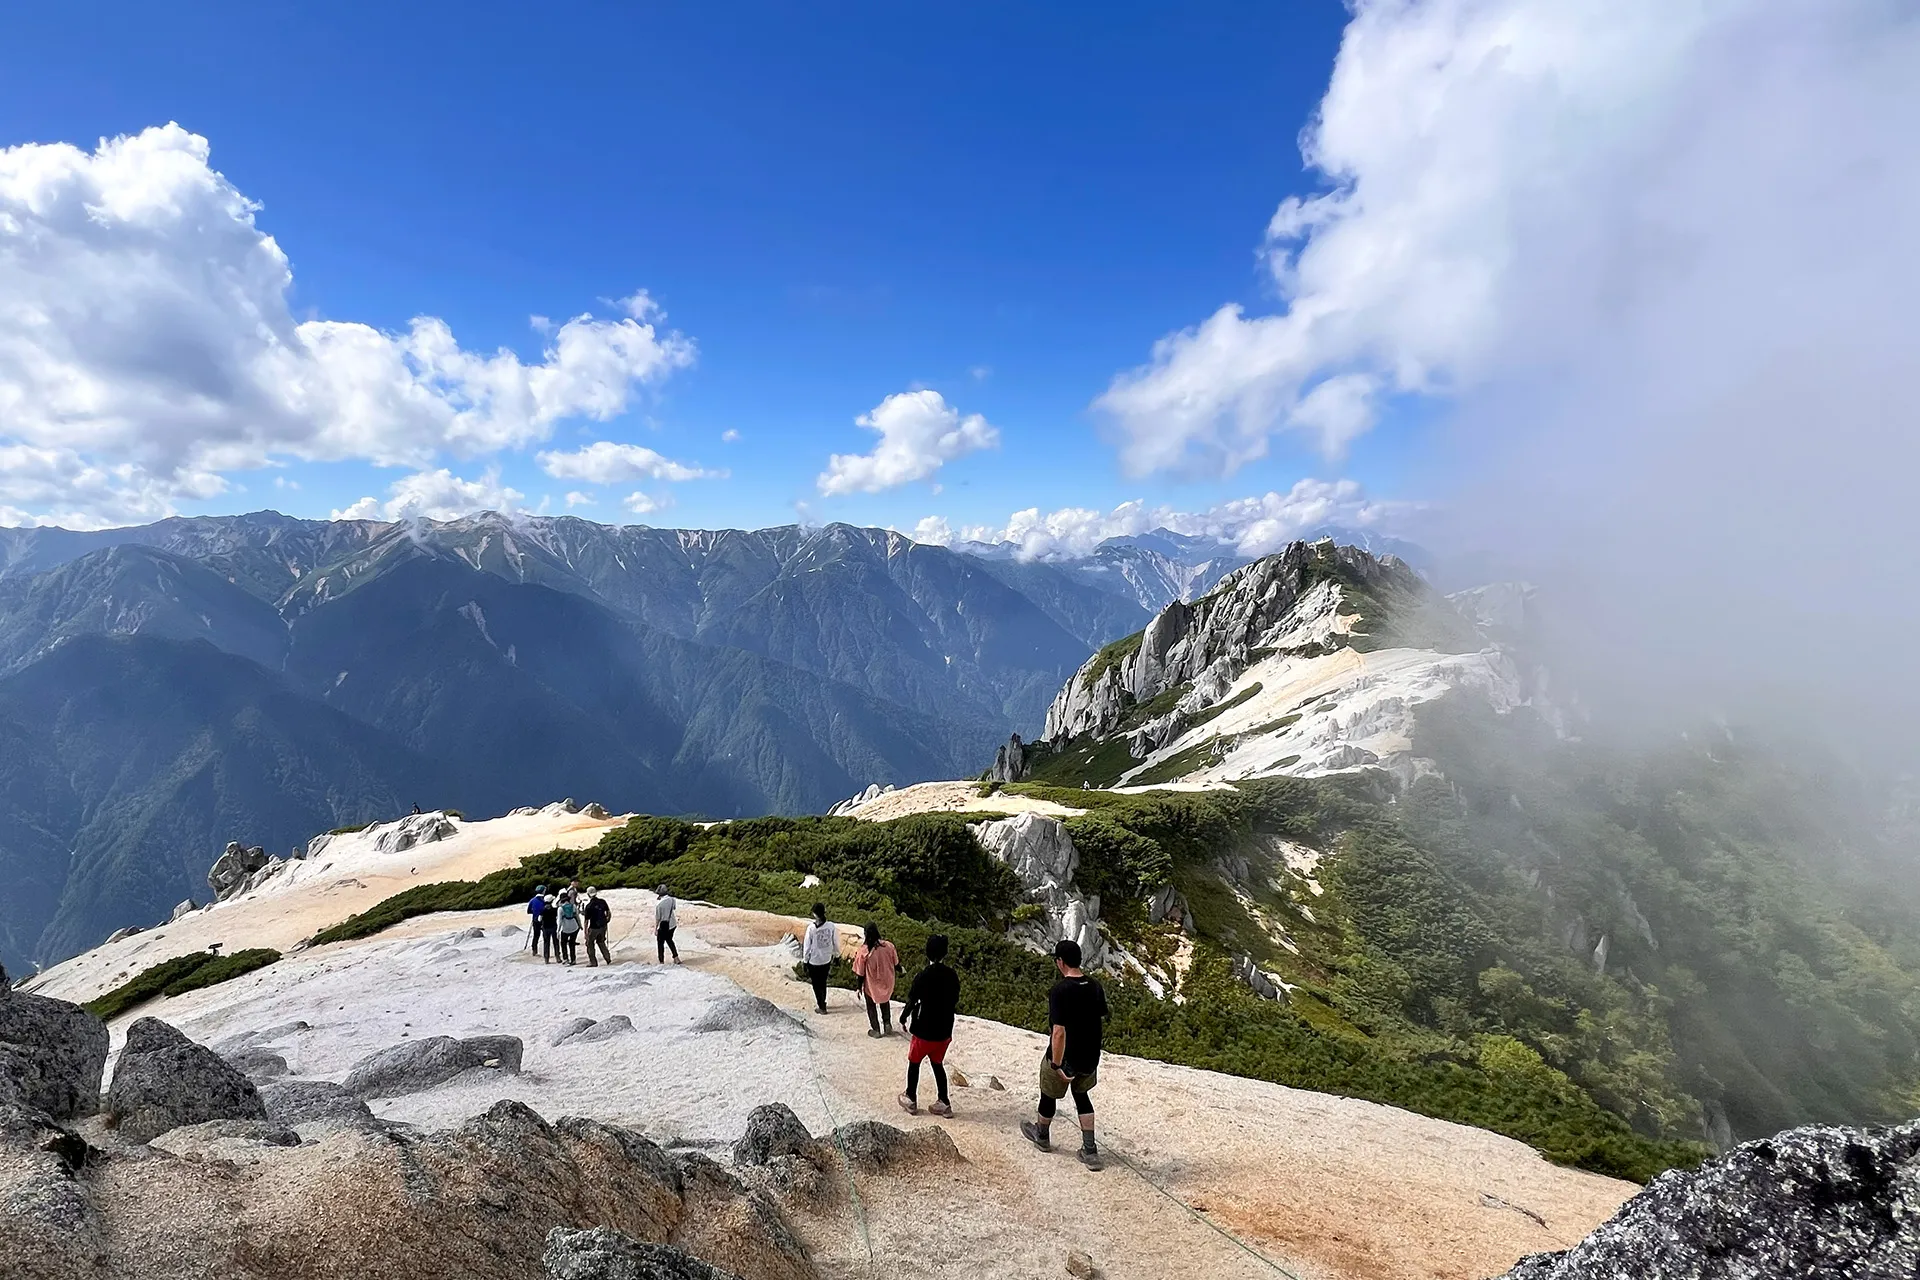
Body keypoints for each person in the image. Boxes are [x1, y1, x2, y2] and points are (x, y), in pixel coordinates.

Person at [1021, 939, 1110, 1171]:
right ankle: (1090, 1150)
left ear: (1060, 962)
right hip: (1089, 1057)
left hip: (1066, 1057)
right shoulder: (1095, 986)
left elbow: (1059, 1032)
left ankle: (1042, 1135)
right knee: (1082, 1097)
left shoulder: (1060, 991)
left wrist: (1057, 1064)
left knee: (1048, 1094)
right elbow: (1097, 1020)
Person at [898, 933, 960, 1118]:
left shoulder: (923, 976)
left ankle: (910, 1098)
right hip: (944, 1031)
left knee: (914, 1063)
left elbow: (911, 1000)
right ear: (945, 953)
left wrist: (903, 1018)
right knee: (937, 1064)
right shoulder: (952, 975)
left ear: (927, 952)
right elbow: (955, 999)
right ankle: (944, 1102)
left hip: (924, 1030)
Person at [853, 922, 901, 1038]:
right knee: (885, 1001)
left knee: (871, 1005)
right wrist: (901, 970)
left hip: (871, 984)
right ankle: (887, 1024)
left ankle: (876, 1029)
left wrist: (859, 987)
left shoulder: (864, 951)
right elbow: (896, 964)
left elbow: (860, 972)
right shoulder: (889, 946)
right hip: (886, 981)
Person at [801, 903, 837, 1013]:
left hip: (814, 961)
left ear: (815, 914)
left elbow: (807, 946)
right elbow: (835, 942)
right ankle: (823, 1001)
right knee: (823, 982)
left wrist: (805, 960)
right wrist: (837, 955)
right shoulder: (831, 926)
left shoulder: (811, 928)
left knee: (816, 984)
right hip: (826, 959)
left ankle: (821, 1006)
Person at [583, 888, 612, 966]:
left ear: (588, 894)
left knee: (590, 944)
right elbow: (609, 913)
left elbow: (586, 921)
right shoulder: (602, 901)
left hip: (593, 927)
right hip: (603, 926)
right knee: (601, 942)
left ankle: (593, 962)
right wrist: (607, 921)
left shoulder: (589, 906)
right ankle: (607, 958)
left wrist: (585, 933)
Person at [654, 884, 680, 964]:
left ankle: (661, 961)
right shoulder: (672, 899)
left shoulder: (659, 904)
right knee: (669, 940)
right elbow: (674, 908)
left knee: (660, 943)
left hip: (664, 924)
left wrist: (655, 929)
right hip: (672, 924)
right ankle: (676, 958)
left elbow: (658, 918)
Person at [556, 890, 581, 966]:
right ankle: (573, 960)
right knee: (572, 944)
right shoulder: (573, 906)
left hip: (565, 928)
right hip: (574, 927)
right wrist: (580, 925)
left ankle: (566, 959)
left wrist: (558, 931)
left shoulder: (560, 909)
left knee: (563, 944)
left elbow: (559, 921)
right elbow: (577, 917)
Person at [525, 884, 549, 954]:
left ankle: (534, 949)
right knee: (545, 936)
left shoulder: (532, 900)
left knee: (536, 935)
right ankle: (546, 952)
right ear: (543, 891)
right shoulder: (544, 900)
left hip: (535, 919)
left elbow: (528, 911)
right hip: (544, 920)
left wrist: (535, 912)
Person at [539, 892, 561, 963]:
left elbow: (539, 919)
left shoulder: (542, 910)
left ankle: (546, 958)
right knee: (556, 942)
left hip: (545, 928)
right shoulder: (554, 909)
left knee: (546, 943)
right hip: (553, 927)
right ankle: (557, 957)